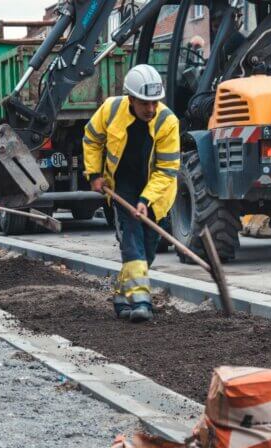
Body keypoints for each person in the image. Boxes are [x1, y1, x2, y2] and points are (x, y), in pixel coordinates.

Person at [83, 64, 180, 323]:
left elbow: (167, 169)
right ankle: (141, 302)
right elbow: (91, 139)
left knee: (146, 250)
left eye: (155, 102)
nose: (151, 108)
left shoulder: (168, 122)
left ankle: (121, 299)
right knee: (132, 242)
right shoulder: (111, 110)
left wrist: (146, 200)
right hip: (121, 186)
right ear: (131, 98)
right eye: (145, 103)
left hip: (155, 191)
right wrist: (94, 174)